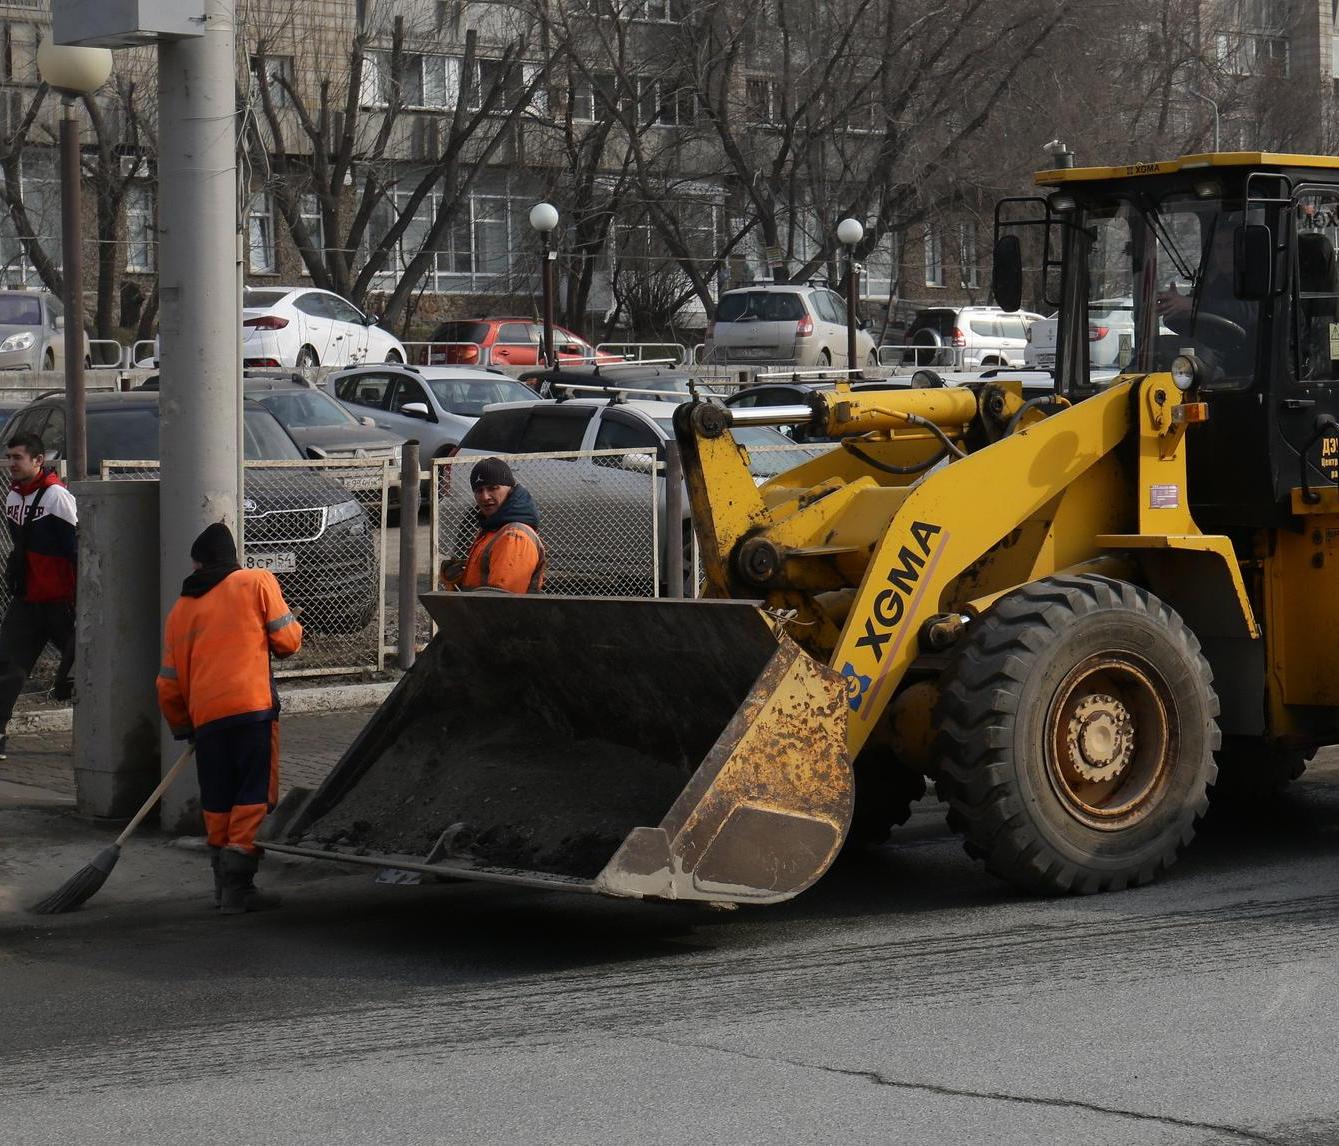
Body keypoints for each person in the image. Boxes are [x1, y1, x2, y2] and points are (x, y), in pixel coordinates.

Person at [156, 523, 302, 914]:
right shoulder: (256, 582)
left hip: (207, 720)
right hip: (252, 710)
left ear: (197, 563)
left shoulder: (179, 612)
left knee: (218, 799)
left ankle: (222, 886)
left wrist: (185, 726)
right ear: (233, 559)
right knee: (253, 795)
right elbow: (287, 642)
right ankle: (240, 886)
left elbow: (167, 684)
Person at [0, 432, 77, 760]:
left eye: (18, 458)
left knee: (83, 669)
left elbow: (77, 549)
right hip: (28, 599)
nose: (11, 464)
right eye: (10, 457)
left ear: (38, 461)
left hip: (62, 602)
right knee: (7, 666)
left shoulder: (56, 497)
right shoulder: (14, 497)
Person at [439, 457, 546, 594]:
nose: (485, 496)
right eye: (479, 491)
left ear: (510, 489)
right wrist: (456, 579)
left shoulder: (514, 536)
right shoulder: (492, 529)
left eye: (492, 488)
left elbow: (502, 602)